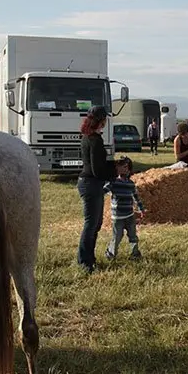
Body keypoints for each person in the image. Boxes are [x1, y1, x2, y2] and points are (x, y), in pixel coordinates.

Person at [76, 105, 114, 273]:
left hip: (89, 182)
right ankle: (84, 261)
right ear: (102, 121)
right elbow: (97, 170)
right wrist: (115, 170)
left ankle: (89, 258)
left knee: (95, 224)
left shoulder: (88, 136)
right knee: (91, 224)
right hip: (91, 184)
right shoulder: (95, 140)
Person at [103, 156, 145, 260]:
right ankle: (111, 254)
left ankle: (135, 254)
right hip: (118, 217)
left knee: (133, 236)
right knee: (117, 237)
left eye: (126, 167)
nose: (124, 169)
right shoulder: (113, 182)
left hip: (130, 216)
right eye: (122, 167)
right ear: (116, 169)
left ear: (129, 170)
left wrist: (141, 209)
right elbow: (103, 190)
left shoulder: (130, 184)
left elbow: (136, 197)